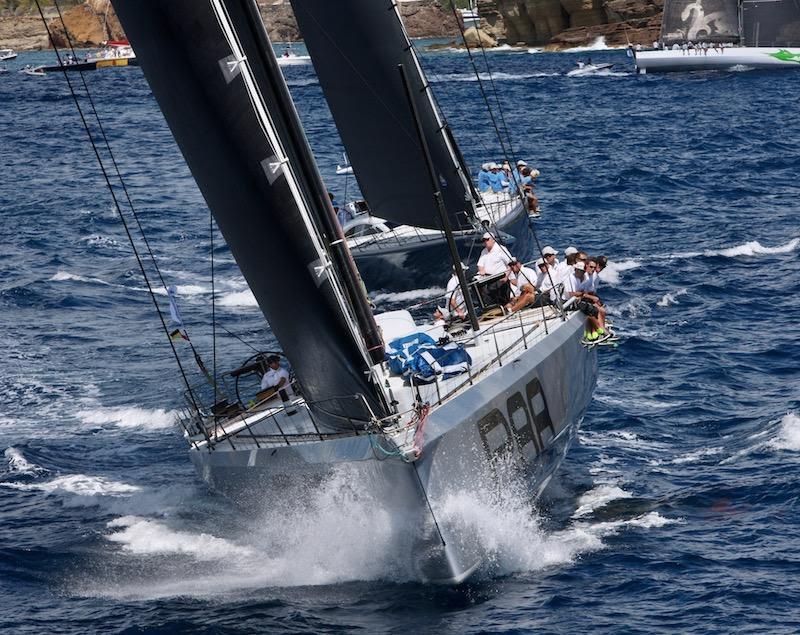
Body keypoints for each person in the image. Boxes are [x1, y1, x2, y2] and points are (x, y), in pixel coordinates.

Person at [477, 232, 513, 306]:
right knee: (492, 302)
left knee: (504, 301)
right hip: (489, 281)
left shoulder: (501, 249)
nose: (485, 242)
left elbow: (510, 263)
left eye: (487, 239)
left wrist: (506, 277)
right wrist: (481, 270)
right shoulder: (484, 251)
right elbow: (480, 265)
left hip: (501, 280)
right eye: (484, 240)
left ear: (493, 239)